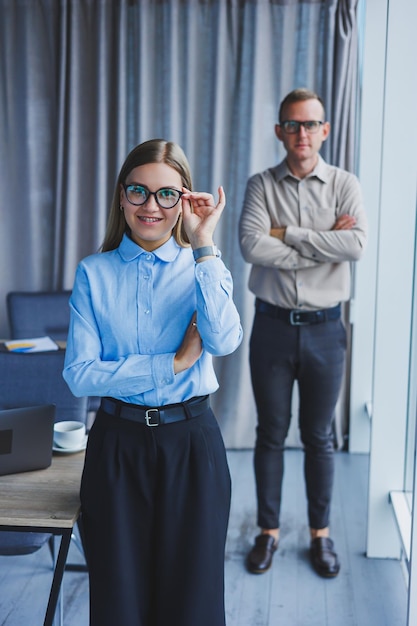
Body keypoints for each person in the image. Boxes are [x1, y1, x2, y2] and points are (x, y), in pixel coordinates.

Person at [63, 138, 243, 626]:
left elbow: (224, 340)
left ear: (184, 200)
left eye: (167, 194)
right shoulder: (93, 273)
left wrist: (204, 242)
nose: (150, 206)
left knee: (194, 603)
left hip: (192, 446)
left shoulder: (204, 266)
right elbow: (79, 375)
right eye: (138, 191)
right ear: (121, 197)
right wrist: (171, 364)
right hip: (116, 448)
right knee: (119, 601)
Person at [239, 88, 368, 578]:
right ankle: (267, 532)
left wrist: (287, 233)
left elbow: (355, 245)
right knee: (270, 434)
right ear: (279, 131)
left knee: (319, 437)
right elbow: (252, 245)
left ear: (325, 130)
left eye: (310, 124)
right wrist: (323, 243)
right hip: (271, 328)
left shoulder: (344, 183)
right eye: (292, 125)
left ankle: (321, 535)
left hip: (325, 331)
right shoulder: (259, 185)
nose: (302, 134)